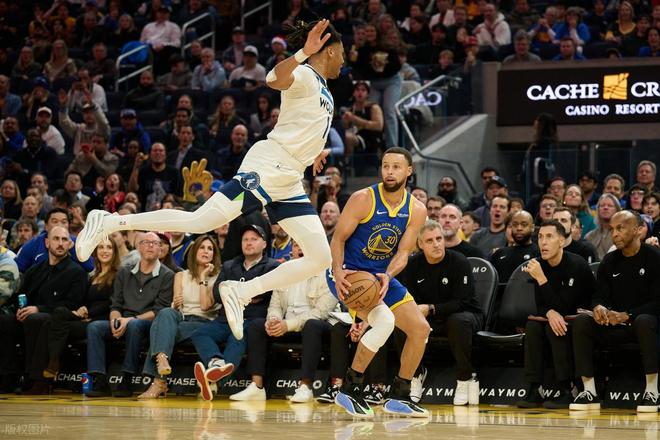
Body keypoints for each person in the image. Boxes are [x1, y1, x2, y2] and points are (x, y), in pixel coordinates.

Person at [75, 20, 343, 343]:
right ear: (329, 50)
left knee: (320, 257)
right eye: (342, 53)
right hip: (270, 166)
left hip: (289, 176)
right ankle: (109, 222)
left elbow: (301, 123)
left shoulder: (325, 90)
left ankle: (241, 291)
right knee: (201, 220)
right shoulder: (306, 74)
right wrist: (302, 53)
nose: (344, 61)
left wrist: (312, 152)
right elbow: (274, 78)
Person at [329, 147, 430, 417]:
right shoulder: (363, 199)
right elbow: (338, 239)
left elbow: (403, 253)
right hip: (350, 273)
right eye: (385, 166)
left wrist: (389, 274)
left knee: (420, 329)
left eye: (396, 167)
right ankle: (350, 389)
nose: (389, 172)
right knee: (384, 322)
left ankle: (399, 396)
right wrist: (338, 271)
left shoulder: (416, 209)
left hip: (380, 276)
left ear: (409, 171)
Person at [570, 211, 660, 413]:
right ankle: (589, 391)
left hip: (644, 324)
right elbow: (599, 295)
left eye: (620, 228)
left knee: (645, 321)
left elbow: (658, 302)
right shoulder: (610, 260)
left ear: (637, 230)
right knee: (582, 322)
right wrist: (599, 307)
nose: (615, 234)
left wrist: (628, 314)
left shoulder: (654, 257)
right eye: (612, 229)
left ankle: (652, 391)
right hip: (615, 324)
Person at [230, 240, 337, 402]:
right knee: (257, 325)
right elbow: (275, 305)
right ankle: (256, 386)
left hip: (317, 326)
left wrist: (288, 325)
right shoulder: (285, 271)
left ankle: (305, 387)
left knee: (312, 325)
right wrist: (274, 320)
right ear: (291, 250)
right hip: (286, 325)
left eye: (304, 244)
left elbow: (320, 313)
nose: (301, 248)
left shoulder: (328, 274)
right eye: (296, 245)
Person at [398, 220, 483, 405]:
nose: (436, 244)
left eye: (439, 239)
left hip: (465, 314)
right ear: (420, 244)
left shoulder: (459, 261)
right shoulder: (412, 265)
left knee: (458, 321)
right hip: (429, 318)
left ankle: (464, 378)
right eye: (430, 241)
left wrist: (431, 308)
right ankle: (414, 374)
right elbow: (407, 299)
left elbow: (463, 301)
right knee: (401, 322)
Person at [190, 225, 279, 401]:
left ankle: (214, 383)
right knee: (199, 333)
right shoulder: (230, 265)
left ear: (264, 244)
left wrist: (233, 291)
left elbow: (265, 293)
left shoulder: (272, 266)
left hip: (251, 319)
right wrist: (246, 293)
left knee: (237, 338)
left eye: (254, 239)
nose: (248, 243)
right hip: (225, 318)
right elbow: (217, 293)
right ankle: (216, 363)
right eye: (245, 239)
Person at [516, 220, 595, 409]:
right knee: (533, 326)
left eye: (549, 237)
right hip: (559, 316)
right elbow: (541, 306)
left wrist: (541, 279)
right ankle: (535, 388)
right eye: (540, 237)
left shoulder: (576, 264)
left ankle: (567, 388)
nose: (543, 242)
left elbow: (565, 306)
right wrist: (549, 312)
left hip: (582, 321)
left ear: (561, 241)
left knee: (556, 327)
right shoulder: (540, 264)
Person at [86, 232, 175, 397]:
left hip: (148, 324)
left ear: (160, 249)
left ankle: (127, 377)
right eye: (146, 242)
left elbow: (159, 311)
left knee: (134, 325)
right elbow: (116, 304)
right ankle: (99, 379)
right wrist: (115, 320)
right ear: (138, 247)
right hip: (124, 319)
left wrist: (130, 320)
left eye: (155, 243)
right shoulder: (124, 272)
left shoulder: (167, 275)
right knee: (95, 327)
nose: (150, 246)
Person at [0, 226, 87, 394]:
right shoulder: (35, 270)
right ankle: (7, 376)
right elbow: (21, 295)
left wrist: (38, 308)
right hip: (30, 315)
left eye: (64, 240)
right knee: (4, 321)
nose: (60, 243)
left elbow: (72, 304)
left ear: (70, 244)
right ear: (47, 243)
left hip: (57, 319)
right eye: (56, 239)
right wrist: (20, 309)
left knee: (37, 319)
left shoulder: (77, 272)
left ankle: (36, 379)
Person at [138, 235, 221, 399]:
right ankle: (162, 359)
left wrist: (203, 278)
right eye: (202, 247)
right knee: (165, 313)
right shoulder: (181, 275)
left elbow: (205, 306)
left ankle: (159, 381)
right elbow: (176, 308)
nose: (206, 251)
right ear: (194, 251)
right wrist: (175, 304)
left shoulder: (218, 277)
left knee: (160, 331)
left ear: (214, 254)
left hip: (204, 323)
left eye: (210, 249)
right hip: (181, 318)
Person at [36, 239, 119, 389]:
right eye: (101, 247)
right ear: (95, 252)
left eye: (109, 247)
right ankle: (45, 371)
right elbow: (86, 300)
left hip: (103, 320)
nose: (105, 251)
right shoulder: (93, 276)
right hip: (86, 318)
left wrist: (88, 313)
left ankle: (53, 364)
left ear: (114, 252)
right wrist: (81, 309)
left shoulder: (118, 275)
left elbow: (112, 302)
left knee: (57, 319)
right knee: (52, 320)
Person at [15, 208, 93, 273]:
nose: (59, 225)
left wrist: (72, 249)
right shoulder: (33, 244)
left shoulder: (77, 243)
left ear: (68, 226)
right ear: (46, 226)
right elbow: (18, 269)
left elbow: (90, 267)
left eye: (64, 222)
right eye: (55, 221)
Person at [490, 211, 539, 282]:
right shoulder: (499, 253)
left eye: (524, 225)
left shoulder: (538, 253)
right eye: (515, 225)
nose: (519, 228)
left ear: (532, 227)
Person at [586, 193, 622, 260]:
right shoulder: (589, 236)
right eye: (602, 205)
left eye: (610, 205)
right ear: (598, 210)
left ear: (617, 210)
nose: (605, 208)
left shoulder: (622, 235)